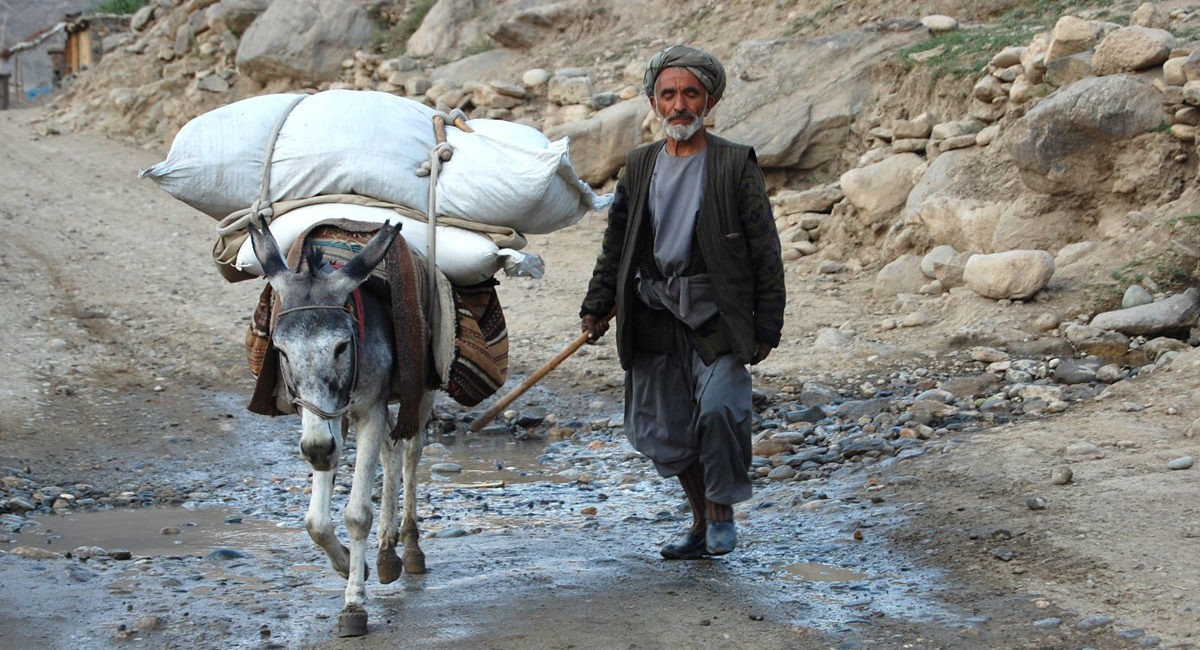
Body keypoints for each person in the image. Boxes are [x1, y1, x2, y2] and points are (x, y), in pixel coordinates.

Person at [579, 45, 785, 559]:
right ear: (653, 102)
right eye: (668, 94)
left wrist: (767, 325)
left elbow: (765, 250)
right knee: (666, 431)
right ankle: (699, 521)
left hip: (717, 316)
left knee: (719, 411)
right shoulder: (639, 165)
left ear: (709, 101)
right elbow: (617, 242)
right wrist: (598, 302)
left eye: (690, 93)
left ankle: (720, 512)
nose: (679, 105)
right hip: (653, 313)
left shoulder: (735, 164)